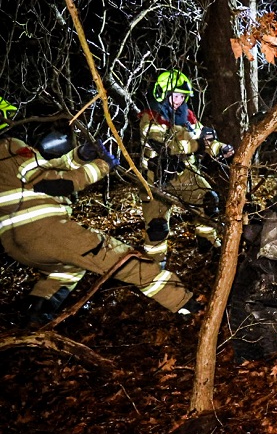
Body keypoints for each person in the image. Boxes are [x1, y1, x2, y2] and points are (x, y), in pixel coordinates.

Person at [0, 94, 200, 324]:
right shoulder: (9, 146)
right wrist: (102, 165)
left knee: (66, 271)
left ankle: (35, 317)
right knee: (124, 260)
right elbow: (51, 183)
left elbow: (40, 171)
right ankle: (186, 304)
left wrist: (79, 156)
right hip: (48, 231)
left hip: (14, 243)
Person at [138, 70, 234, 264]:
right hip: (155, 180)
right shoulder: (150, 118)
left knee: (208, 200)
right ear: (162, 93)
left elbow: (202, 138)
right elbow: (166, 145)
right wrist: (197, 145)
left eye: (182, 96)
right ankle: (155, 268)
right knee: (157, 228)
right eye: (175, 95)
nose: (179, 100)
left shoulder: (187, 116)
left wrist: (221, 148)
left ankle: (208, 247)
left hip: (185, 175)